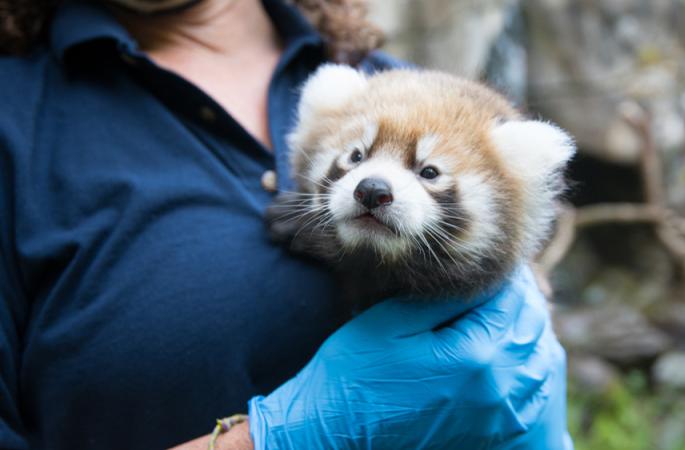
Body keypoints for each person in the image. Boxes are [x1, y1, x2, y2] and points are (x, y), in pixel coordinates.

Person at [0, 0, 572, 449]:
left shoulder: (390, 79)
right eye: (355, 160)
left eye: (426, 172)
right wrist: (277, 438)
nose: (374, 184)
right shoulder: (16, 117)